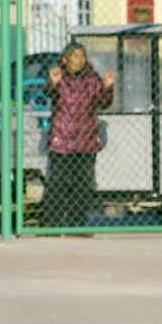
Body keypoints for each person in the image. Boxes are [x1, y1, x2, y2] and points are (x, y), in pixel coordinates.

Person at [44, 42, 115, 228]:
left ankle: (77, 224)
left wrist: (107, 87)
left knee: (82, 185)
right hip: (62, 139)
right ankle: (51, 224)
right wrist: (53, 82)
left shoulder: (92, 79)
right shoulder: (60, 77)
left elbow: (103, 102)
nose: (80, 60)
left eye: (82, 56)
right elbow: (48, 93)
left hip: (86, 140)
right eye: (75, 56)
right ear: (66, 59)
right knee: (56, 184)